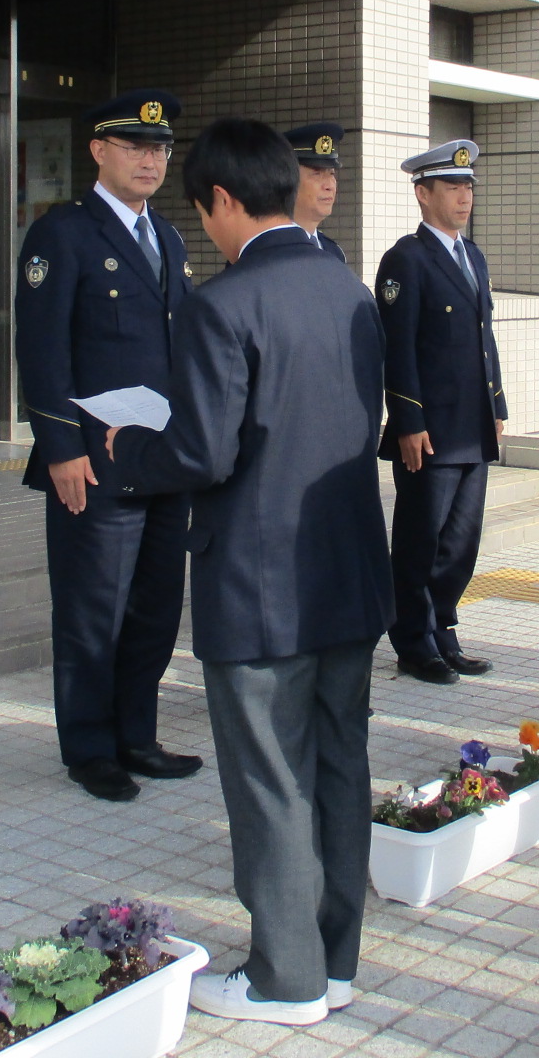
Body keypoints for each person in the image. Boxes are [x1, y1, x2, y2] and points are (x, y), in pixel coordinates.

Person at [105, 118, 392, 1028]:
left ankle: (284, 979)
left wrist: (126, 448)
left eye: (204, 214)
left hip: (260, 588)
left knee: (271, 780)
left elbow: (202, 453)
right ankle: (333, 961)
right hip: (349, 576)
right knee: (340, 768)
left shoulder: (222, 306)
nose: (207, 231)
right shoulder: (348, 292)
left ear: (224, 201)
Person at [15, 88, 201, 803]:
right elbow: (43, 348)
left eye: (159, 148)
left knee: (155, 607)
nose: (151, 159)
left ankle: (137, 734)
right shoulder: (63, 233)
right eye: (135, 147)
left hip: (162, 461)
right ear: (98, 151)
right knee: (94, 608)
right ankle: (90, 747)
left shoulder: (170, 238)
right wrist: (60, 447)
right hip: (92, 461)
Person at [375, 139, 508, 684]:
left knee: (460, 541)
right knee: (419, 541)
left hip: (473, 427)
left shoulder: (472, 256)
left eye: (468, 187)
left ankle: (444, 630)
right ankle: (413, 642)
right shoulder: (406, 259)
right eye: (451, 187)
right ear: (422, 193)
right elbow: (396, 346)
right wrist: (408, 420)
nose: (464, 197)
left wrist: (497, 404)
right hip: (429, 432)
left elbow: (485, 338)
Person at [284, 121, 349, 265]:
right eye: (316, 174)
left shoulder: (333, 252)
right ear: (288, 179)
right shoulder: (265, 252)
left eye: (331, 173)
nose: (329, 186)